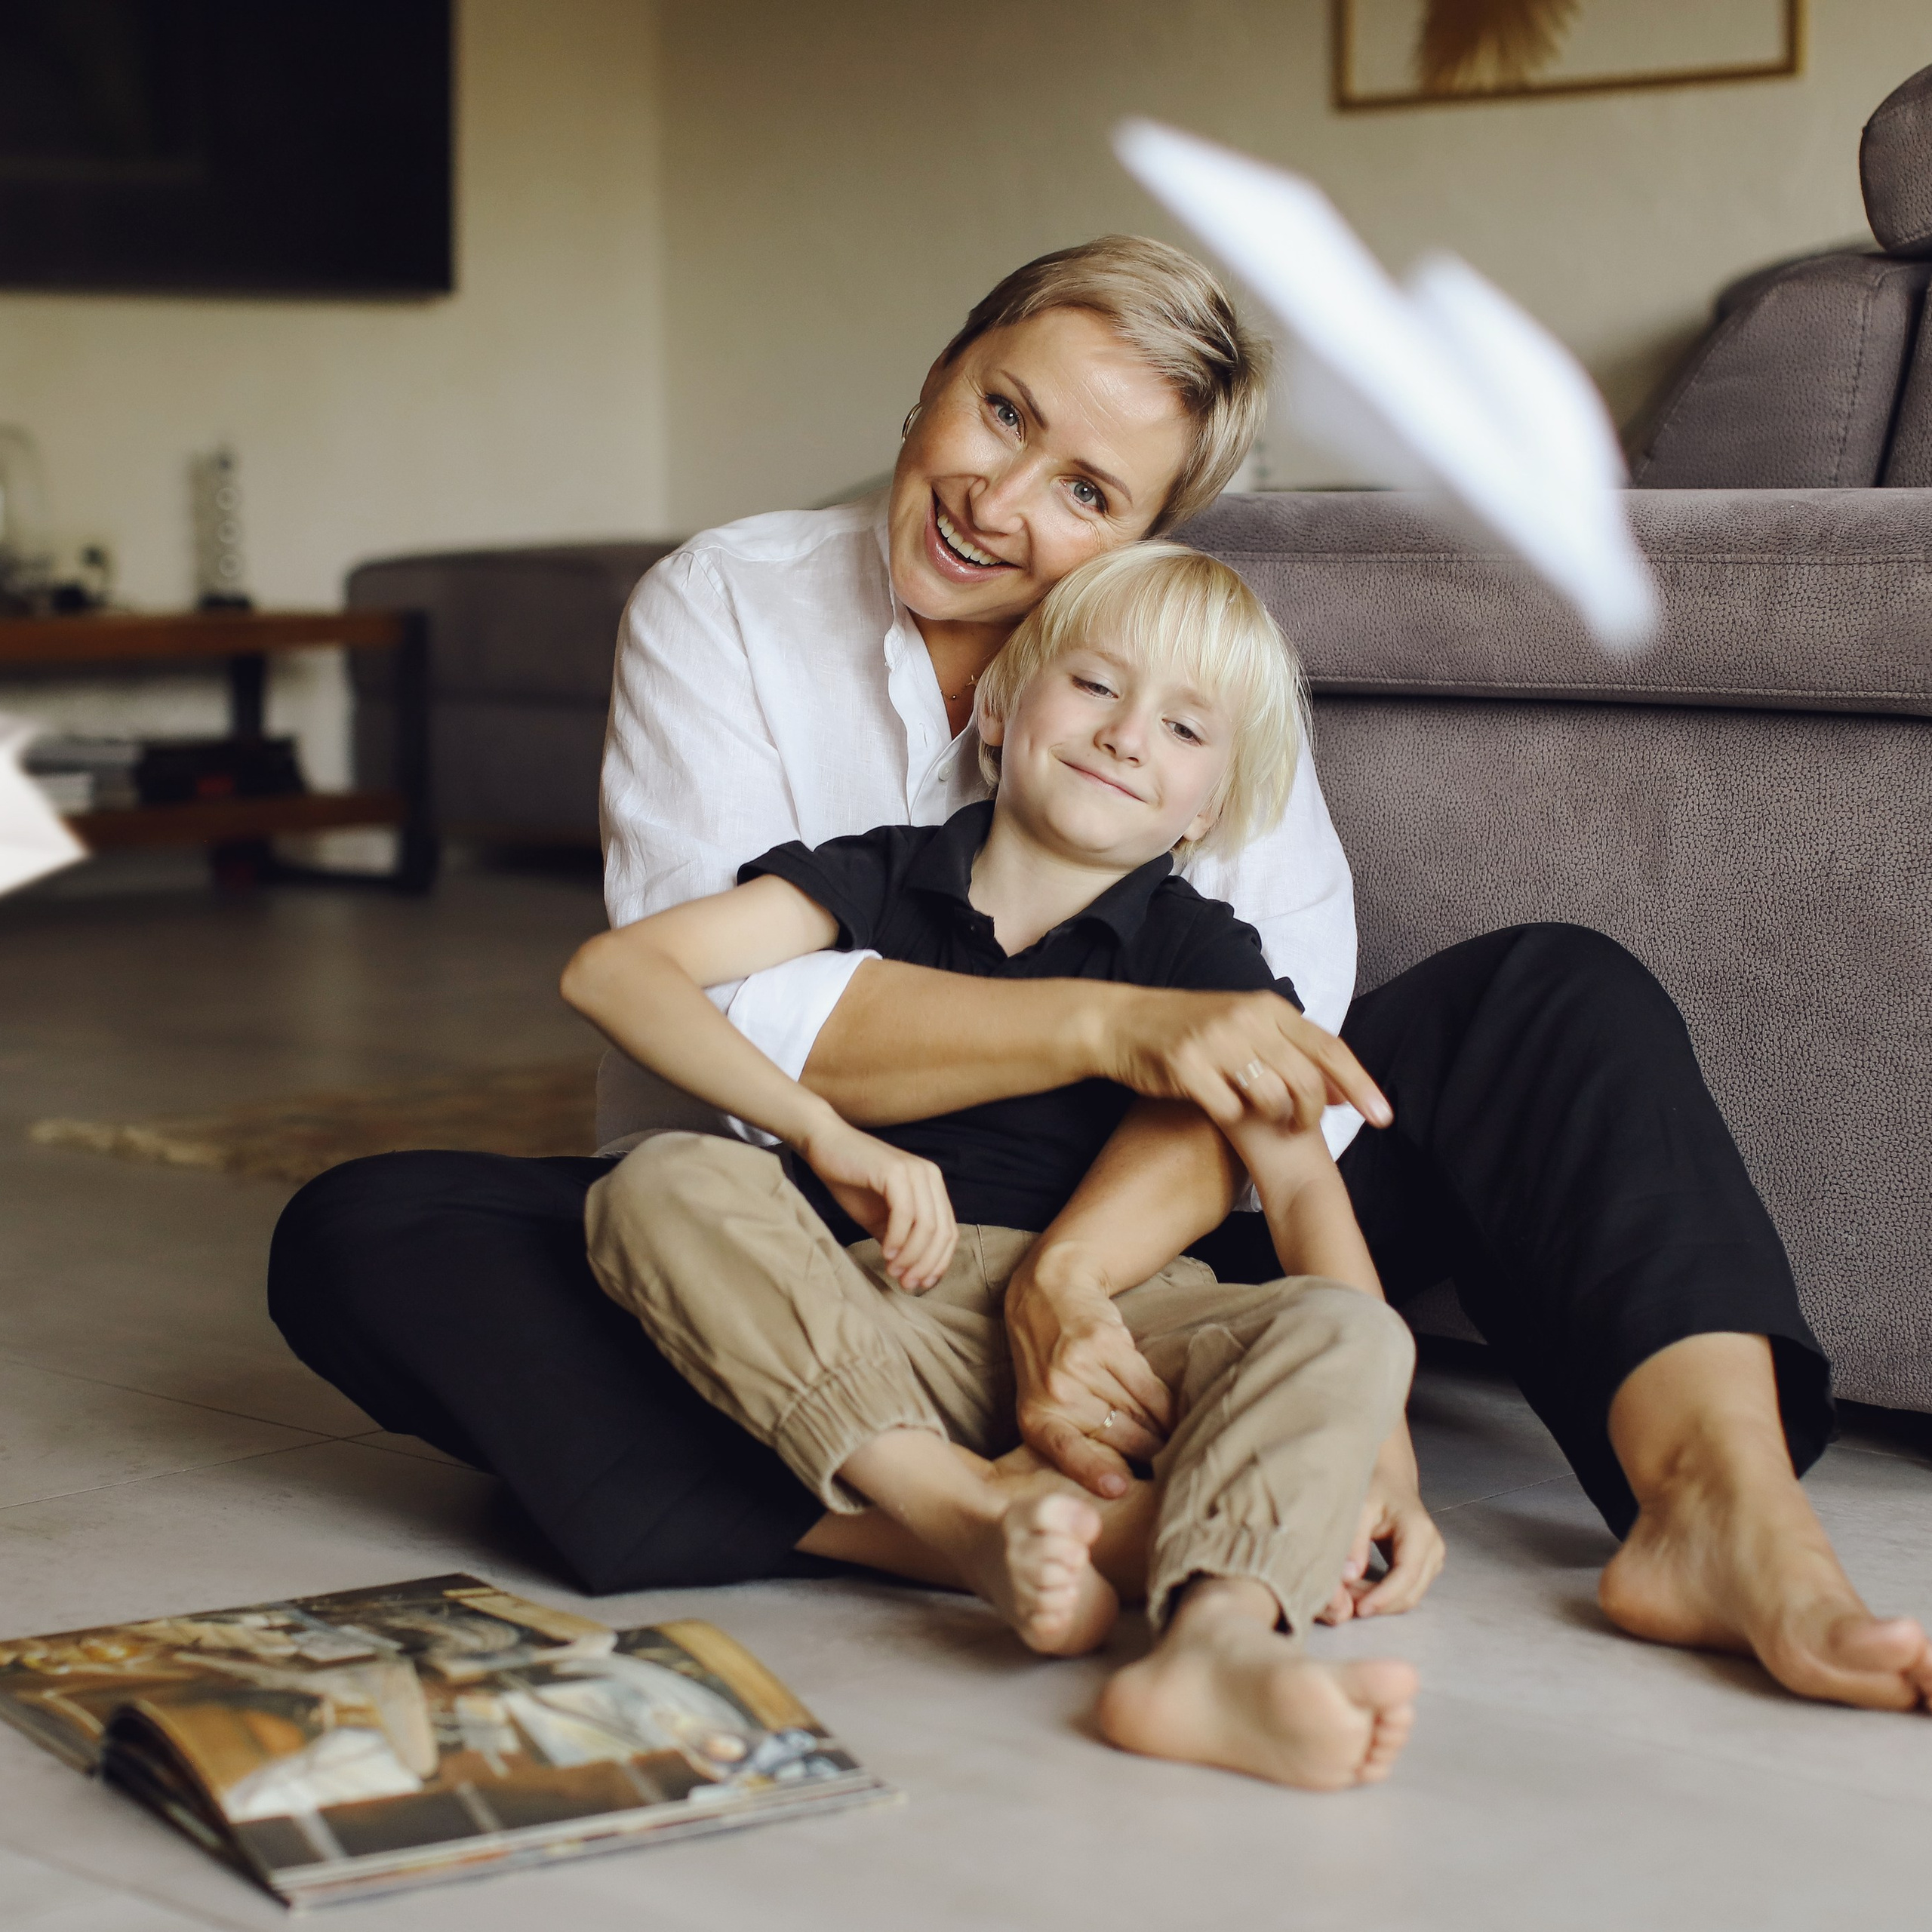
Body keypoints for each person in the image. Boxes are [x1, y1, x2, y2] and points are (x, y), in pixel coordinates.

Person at [269, 235, 1932, 1715]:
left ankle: (1720, 1516)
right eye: (1001, 415)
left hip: (1162, 1269)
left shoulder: (1183, 680)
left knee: (1547, 996)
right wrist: (1105, 1019)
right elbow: (733, 1011)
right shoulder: (722, 605)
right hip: (818, 1244)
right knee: (373, 1235)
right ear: (937, 377)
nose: (1002, 501)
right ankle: (1050, 1525)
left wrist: (1071, 1277)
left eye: (1088, 492)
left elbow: (1284, 1053)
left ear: (1146, 533)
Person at [566, 543, 1420, 1789]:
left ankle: (1215, 1650)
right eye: (1097, 688)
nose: (1130, 736)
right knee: (657, 1182)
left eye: (1184, 727)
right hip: (869, 1303)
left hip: (1122, 1341)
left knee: (1351, 1334)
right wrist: (820, 1131)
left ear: (1205, 811)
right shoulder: (877, 871)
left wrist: (1383, 1464)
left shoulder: (1208, 954)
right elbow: (614, 973)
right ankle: (957, 1513)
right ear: (1003, 712)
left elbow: (1298, 1188)